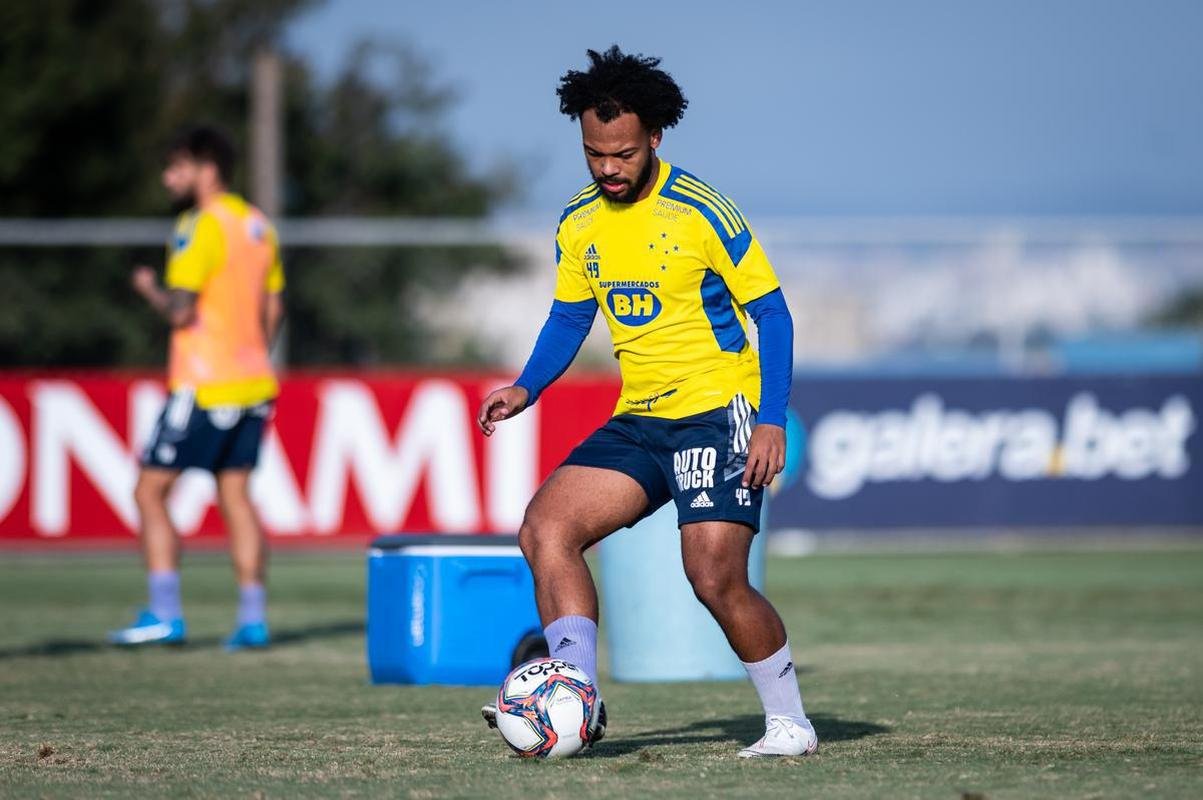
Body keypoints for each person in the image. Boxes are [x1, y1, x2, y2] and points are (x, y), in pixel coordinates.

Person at [478, 47, 815, 757]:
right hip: (641, 418)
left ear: (655, 136)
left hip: (715, 412)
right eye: (593, 153)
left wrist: (770, 418)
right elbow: (570, 318)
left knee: (712, 575)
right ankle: (574, 694)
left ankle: (789, 722)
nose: (607, 168)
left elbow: (773, 315)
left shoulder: (700, 210)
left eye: (622, 153)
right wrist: (525, 387)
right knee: (546, 529)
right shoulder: (578, 221)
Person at [108, 125, 285, 651]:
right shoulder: (257, 224)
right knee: (236, 496)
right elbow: (274, 307)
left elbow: (182, 309)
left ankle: (164, 614)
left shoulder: (197, 225)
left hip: (204, 384)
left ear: (206, 167)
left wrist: (148, 291)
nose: (168, 177)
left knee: (148, 490)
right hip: (253, 382)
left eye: (176, 166)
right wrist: (251, 351)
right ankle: (253, 621)